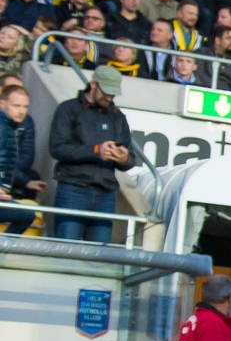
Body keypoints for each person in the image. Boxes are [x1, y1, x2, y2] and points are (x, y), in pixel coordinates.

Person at [48, 68, 133, 243]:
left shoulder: (118, 117)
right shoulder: (68, 109)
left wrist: (124, 159)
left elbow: (129, 158)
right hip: (73, 188)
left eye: (113, 94)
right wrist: (95, 150)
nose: (110, 97)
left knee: (99, 256)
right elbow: (57, 148)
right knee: (66, 249)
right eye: (107, 92)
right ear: (93, 85)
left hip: (105, 191)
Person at [1, 78, 44, 234]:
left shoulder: (10, 127)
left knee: (25, 216)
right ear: (2, 104)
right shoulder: (3, 128)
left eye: (25, 106)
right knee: (25, 216)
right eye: (16, 106)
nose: (22, 111)